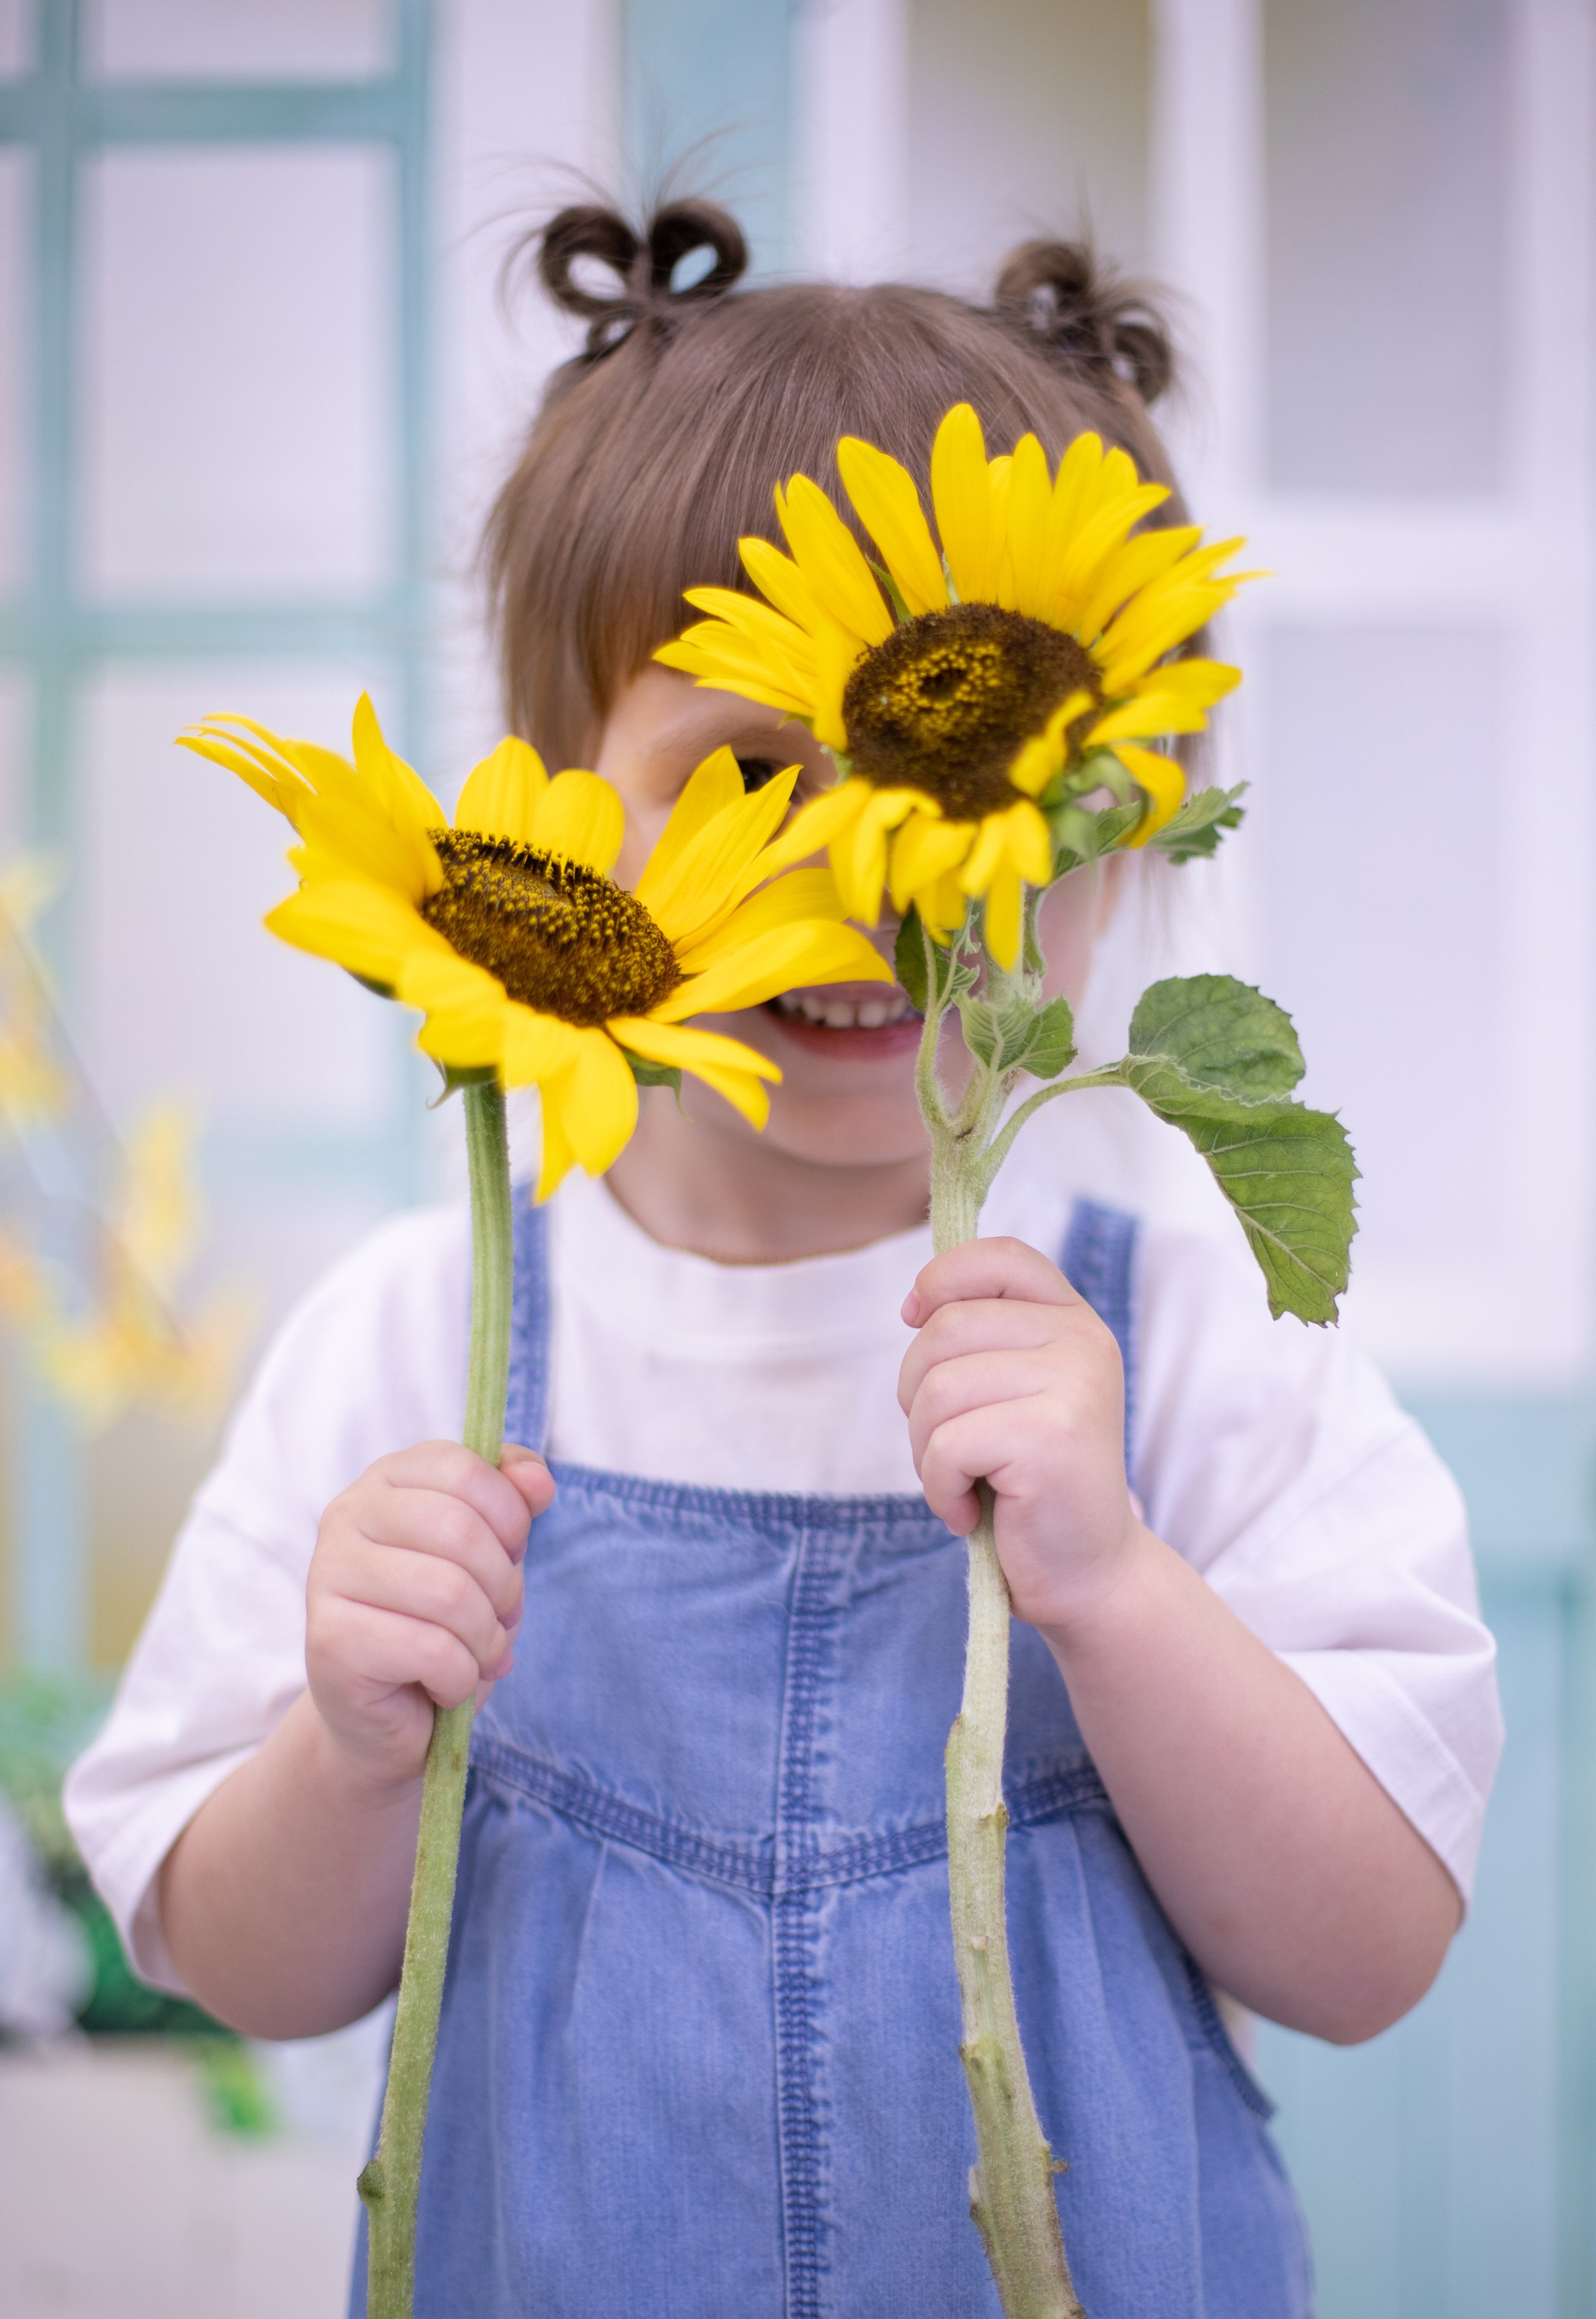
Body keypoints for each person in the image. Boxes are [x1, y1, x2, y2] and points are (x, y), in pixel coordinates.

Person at [65, 201, 1501, 2317]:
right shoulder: (420, 1338)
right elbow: (234, 1958)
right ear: (549, 817)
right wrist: (353, 1745)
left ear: (1123, 821)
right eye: (748, 778)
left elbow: (1369, 1953)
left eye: (970, 776)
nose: (861, 883)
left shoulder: (1191, 1337)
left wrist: (1109, 1586)